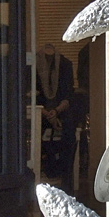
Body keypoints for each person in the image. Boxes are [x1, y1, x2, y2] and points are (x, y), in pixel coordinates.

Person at [36, 43, 76, 193]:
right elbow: (30, 93)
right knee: (35, 130)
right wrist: (46, 112)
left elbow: (68, 93)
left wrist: (56, 111)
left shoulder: (65, 64)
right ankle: (42, 171)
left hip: (60, 110)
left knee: (69, 131)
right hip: (40, 111)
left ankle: (64, 176)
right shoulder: (33, 63)